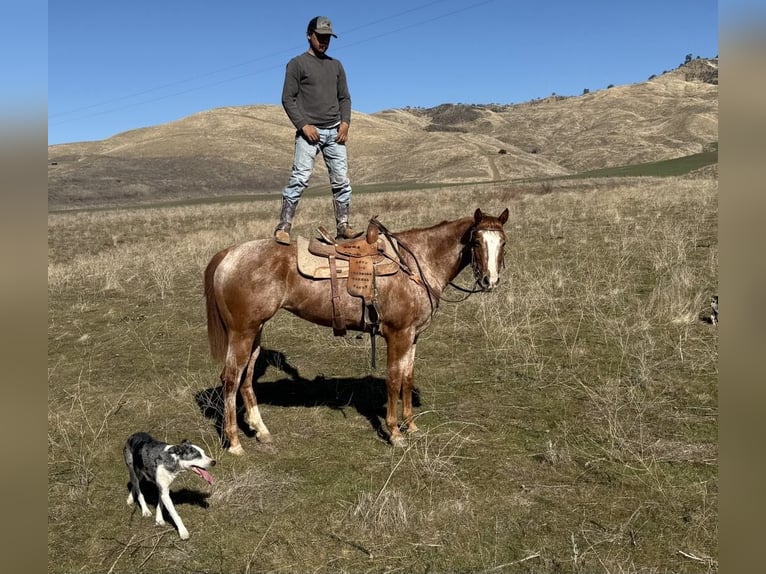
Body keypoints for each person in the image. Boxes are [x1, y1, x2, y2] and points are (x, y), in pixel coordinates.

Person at [274, 16, 358, 245]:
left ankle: (343, 226)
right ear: (309, 35)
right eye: (320, 37)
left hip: (335, 132)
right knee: (300, 178)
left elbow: (345, 98)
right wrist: (303, 125)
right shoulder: (297, 64)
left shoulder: (336, 65)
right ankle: (283, 226)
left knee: (341, 180)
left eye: (327, 38)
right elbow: (287, 98)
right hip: (309, 134)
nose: (324, 42)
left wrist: (346, 123)